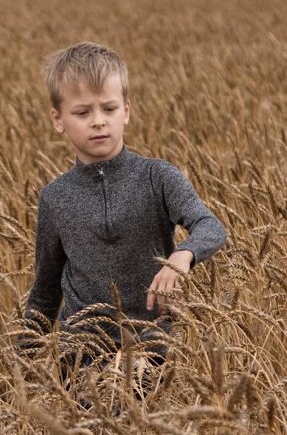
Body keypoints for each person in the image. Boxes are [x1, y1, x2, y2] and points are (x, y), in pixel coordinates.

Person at [20, 42, 226, 392]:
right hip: (80, 355)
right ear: (59, 120)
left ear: (126, 111)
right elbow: (45, 291)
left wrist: (181, 256)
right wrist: (22, 366)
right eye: (82, 113)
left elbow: (210, 226)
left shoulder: (157, 177)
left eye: (109, 109)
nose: (98, 121)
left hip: (151, 348)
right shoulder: (55, 197)